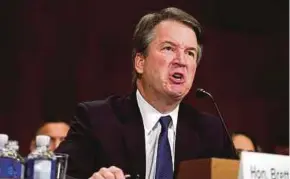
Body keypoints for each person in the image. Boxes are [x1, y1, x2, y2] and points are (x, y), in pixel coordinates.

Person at [56, 7, 236, 179]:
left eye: (190, 53)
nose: (181, 61)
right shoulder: (96, 119)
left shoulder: (210, 132)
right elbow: (56, 174)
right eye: (169, 48)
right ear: (140, 62)